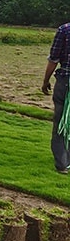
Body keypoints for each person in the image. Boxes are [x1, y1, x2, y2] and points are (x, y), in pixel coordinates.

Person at [42, 22, 70, 174]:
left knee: (61, 121)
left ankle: (62, 163)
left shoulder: (64, 30)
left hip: (65, 81)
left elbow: (54, 59)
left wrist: (46, 80)